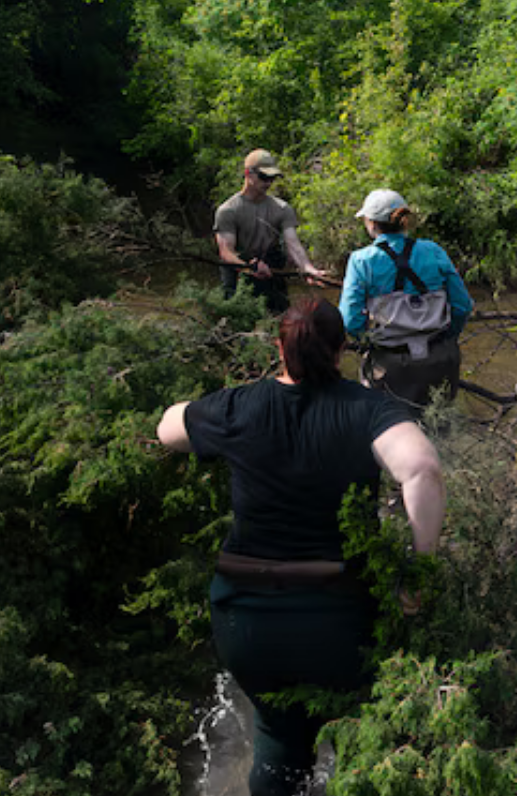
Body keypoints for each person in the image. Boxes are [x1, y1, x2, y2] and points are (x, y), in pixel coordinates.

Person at [156, 297, 446, 796]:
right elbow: (421, 468)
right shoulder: (366, 407)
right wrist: (418, 571)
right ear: (342, 351)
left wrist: (218, 414)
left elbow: (167, 429)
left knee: (279, 740)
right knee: (361, 731)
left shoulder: (239, 405)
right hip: (338, 617)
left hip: (245, 619)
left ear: (279, 348)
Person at [339, 189, 474, 410]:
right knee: (440, 428)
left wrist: (366, 343)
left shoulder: (361, 261)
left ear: (372, 223)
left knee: (389, 432)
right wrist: (448, 338)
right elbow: (462, 306)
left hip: (391, 363)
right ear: (403, 221)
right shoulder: (433, 251)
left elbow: (350, 321)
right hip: (440, 357)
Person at [214, 149, 329, 313]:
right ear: (248, 174)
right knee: (236, 327)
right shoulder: (228, 211)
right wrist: (250, 266)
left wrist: (308, 268)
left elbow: (293, 244)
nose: (268, 183)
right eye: (264, 177)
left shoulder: (282, 209)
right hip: (240, 273)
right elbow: (226, 252)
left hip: (271, 270)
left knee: (281, 324)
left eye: (272, 178)